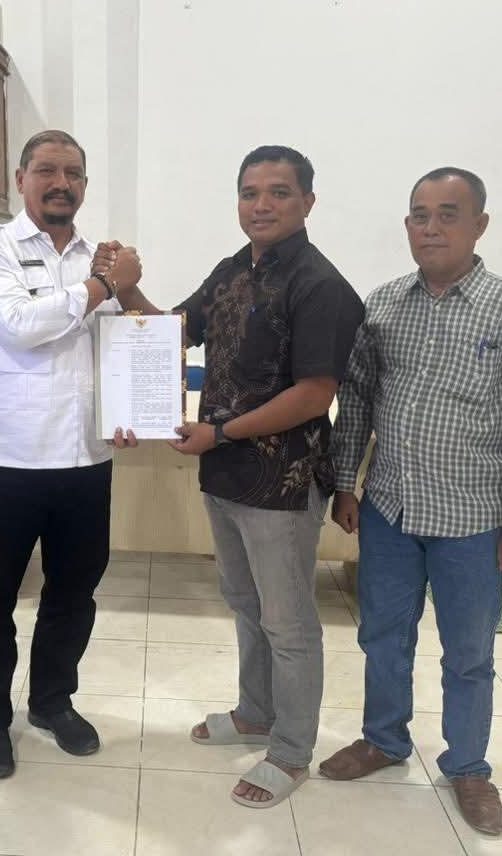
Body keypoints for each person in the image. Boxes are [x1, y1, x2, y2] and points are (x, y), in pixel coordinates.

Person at [94, 145, 364, 808]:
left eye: (279, 192)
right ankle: (255, 713)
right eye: (250, 192)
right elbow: (173, 332)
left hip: (282, 484)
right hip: (224, 473)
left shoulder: (320, 286)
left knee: (289, 624)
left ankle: (291, 751)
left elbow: (315, 394)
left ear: (308, 202)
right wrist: (122, 285)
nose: (261, 205)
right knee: (245, 603)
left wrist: (219, 432)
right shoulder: (234, 269)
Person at [318, 167, 502, 838]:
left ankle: (469, 767)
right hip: (390, 510)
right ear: (407, 226)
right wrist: (345, 483)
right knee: (382, 636)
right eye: (419, 215)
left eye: (448, 214)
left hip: (472, 521)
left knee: (468, 652)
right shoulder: (384, 305)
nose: (431, 228)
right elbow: (357, 400)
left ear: (479, 225)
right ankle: (384, 740)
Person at [0, 129, 141, 780]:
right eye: (47, 171)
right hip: (7, 461)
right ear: (21, 179)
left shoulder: (100, 256)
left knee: (74, 594)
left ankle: (52, 702)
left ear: (84, 184)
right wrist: (101, 285)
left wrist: (129, 407)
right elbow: (19, 325)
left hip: (85, 460)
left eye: (73, 173)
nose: (61, 184)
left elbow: (123, 343)